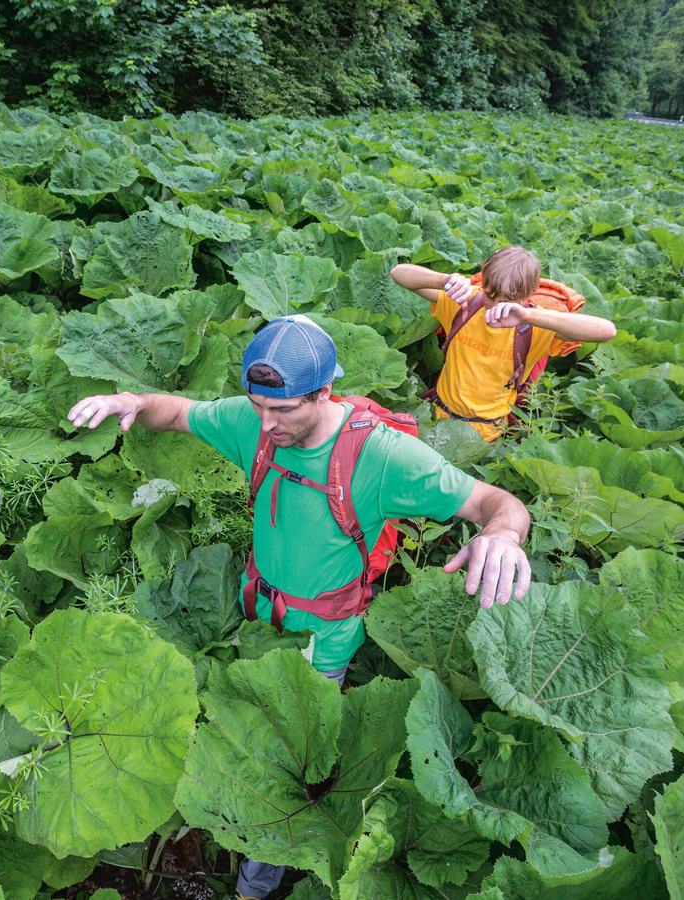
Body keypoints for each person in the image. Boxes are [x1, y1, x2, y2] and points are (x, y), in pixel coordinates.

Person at [68, 314, 532, 900]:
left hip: (323, 648)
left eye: (283, 408)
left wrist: (503, 536)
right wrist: (131, 400)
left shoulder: (383, 458)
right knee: (239, 733)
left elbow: (498, 502)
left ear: (324, 391)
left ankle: (255, 885)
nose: (267, 422)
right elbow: (180, 412)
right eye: (257, 403)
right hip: (260, 619)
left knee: (286, 764)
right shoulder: (255, 424)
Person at [390, 247, 617, 441]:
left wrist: (528, 317)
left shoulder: (534, 327)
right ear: (484, 282)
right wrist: (443, 280)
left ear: (527, 295)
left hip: (489, 434)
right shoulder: (466, 303)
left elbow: (607, 331)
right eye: (490, 295)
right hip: (437, 418)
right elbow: (398, 273)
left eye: (506, 302)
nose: (495, 307)